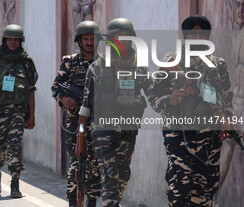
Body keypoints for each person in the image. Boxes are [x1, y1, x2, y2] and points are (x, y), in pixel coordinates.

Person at [148, 15, 234, 207]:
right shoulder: (171, 62)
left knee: (205, 190)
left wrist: (225, 122)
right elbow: (153, 97)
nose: (196, 37)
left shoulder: (218, 65)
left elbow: (226, 99)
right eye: (192, 33)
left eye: (200, 33)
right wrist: (169, 100)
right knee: (179, 186)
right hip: (178, 133)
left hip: (209, 137)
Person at [78, 18, 151, 207]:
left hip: (127, 131)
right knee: (110, 182)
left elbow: (153, 91)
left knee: (122, 178)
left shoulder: (139, 66)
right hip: (103, 131)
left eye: (127, 36)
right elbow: (85, 107)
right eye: (119, 36)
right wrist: (80, 138)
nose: (123, 40)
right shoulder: (97, 67)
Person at [0, 24, 38, 198]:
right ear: (5, 40)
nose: (13, 42)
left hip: (18, 112)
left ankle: (15, 182)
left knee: (15, 145)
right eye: (10, 39)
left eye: (16, 39)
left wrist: (32, 116)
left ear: (21, 41)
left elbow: (30, 91)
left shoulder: (27, 63)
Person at [52, 21, 101, 207]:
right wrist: (64, 100)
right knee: (76, 161)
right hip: (75, 123)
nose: (89, 42)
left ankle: (92, 201)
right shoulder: (69, 62)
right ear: (79, 41)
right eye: (86, 39)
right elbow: (55, 87)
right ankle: (73, 200)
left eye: (92, 39)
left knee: (95, 163)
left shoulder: (105, 62)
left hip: (98, 121)